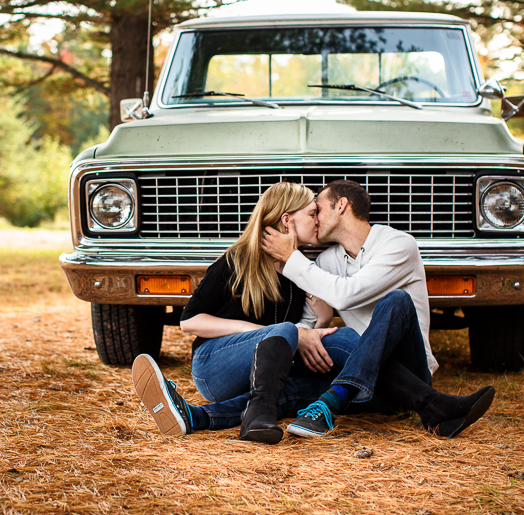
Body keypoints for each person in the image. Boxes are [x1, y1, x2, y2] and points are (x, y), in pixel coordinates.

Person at [262, 179, 495, 439]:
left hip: (411, 371)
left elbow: (347, 294)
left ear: (341, 206)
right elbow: (307, 322)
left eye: (319, 210)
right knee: (315, 360)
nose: (315, 219)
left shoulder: (398, 245)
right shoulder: (327, 261)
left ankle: (333, 400)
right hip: (372, 386)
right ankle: (435, 406)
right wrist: (309, 330)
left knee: (397, 301)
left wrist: (293, 258)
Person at [131, 182, 357, 444]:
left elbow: (308, 330)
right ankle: (256, 413)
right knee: (286, 330)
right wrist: (259, 332)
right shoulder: (237, 260)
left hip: (269, 374)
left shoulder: (300, 268)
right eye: (311, 213)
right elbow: (190, 321)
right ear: (287, 220)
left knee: (343, 343)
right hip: (215, 365)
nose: (318, 220)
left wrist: (322, 320)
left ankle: (198, 417)